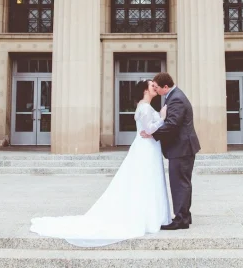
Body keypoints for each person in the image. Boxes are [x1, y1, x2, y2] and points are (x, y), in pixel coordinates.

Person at [30, 80, 171, 247]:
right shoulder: (146, 107)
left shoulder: (144, 105)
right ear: (145, 90)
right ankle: (147, 217)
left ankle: (151, 215)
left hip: (147, 147)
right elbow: (149, 130)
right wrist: (162, 118)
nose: (154, 87)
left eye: (155, 85)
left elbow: (147, 130)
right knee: (146, 179)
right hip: (146, 148)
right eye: (151, 85)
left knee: (146, 180)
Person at [140, 72, 200, 230]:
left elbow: (173, 124)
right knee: (181, 183)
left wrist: (153, 133)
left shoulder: (176, 98)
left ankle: (181, 219)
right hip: (181, 148)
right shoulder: (173, 96)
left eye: (158, 87)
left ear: (165, 87)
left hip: (181, 148)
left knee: (179, 183)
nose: (156, 90)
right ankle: (184, 216)